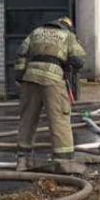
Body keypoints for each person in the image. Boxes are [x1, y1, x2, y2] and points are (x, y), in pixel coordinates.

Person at [14, 16, 87, 175]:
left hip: (30, 78)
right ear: (68, 26)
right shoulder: (67, 36)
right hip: (52, 80)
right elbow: (79, 60)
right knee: (59, 119)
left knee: (27, 119)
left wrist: (20, 76)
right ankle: (64, 162)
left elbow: (21, 54)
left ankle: (23, 161)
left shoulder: (36, 32)